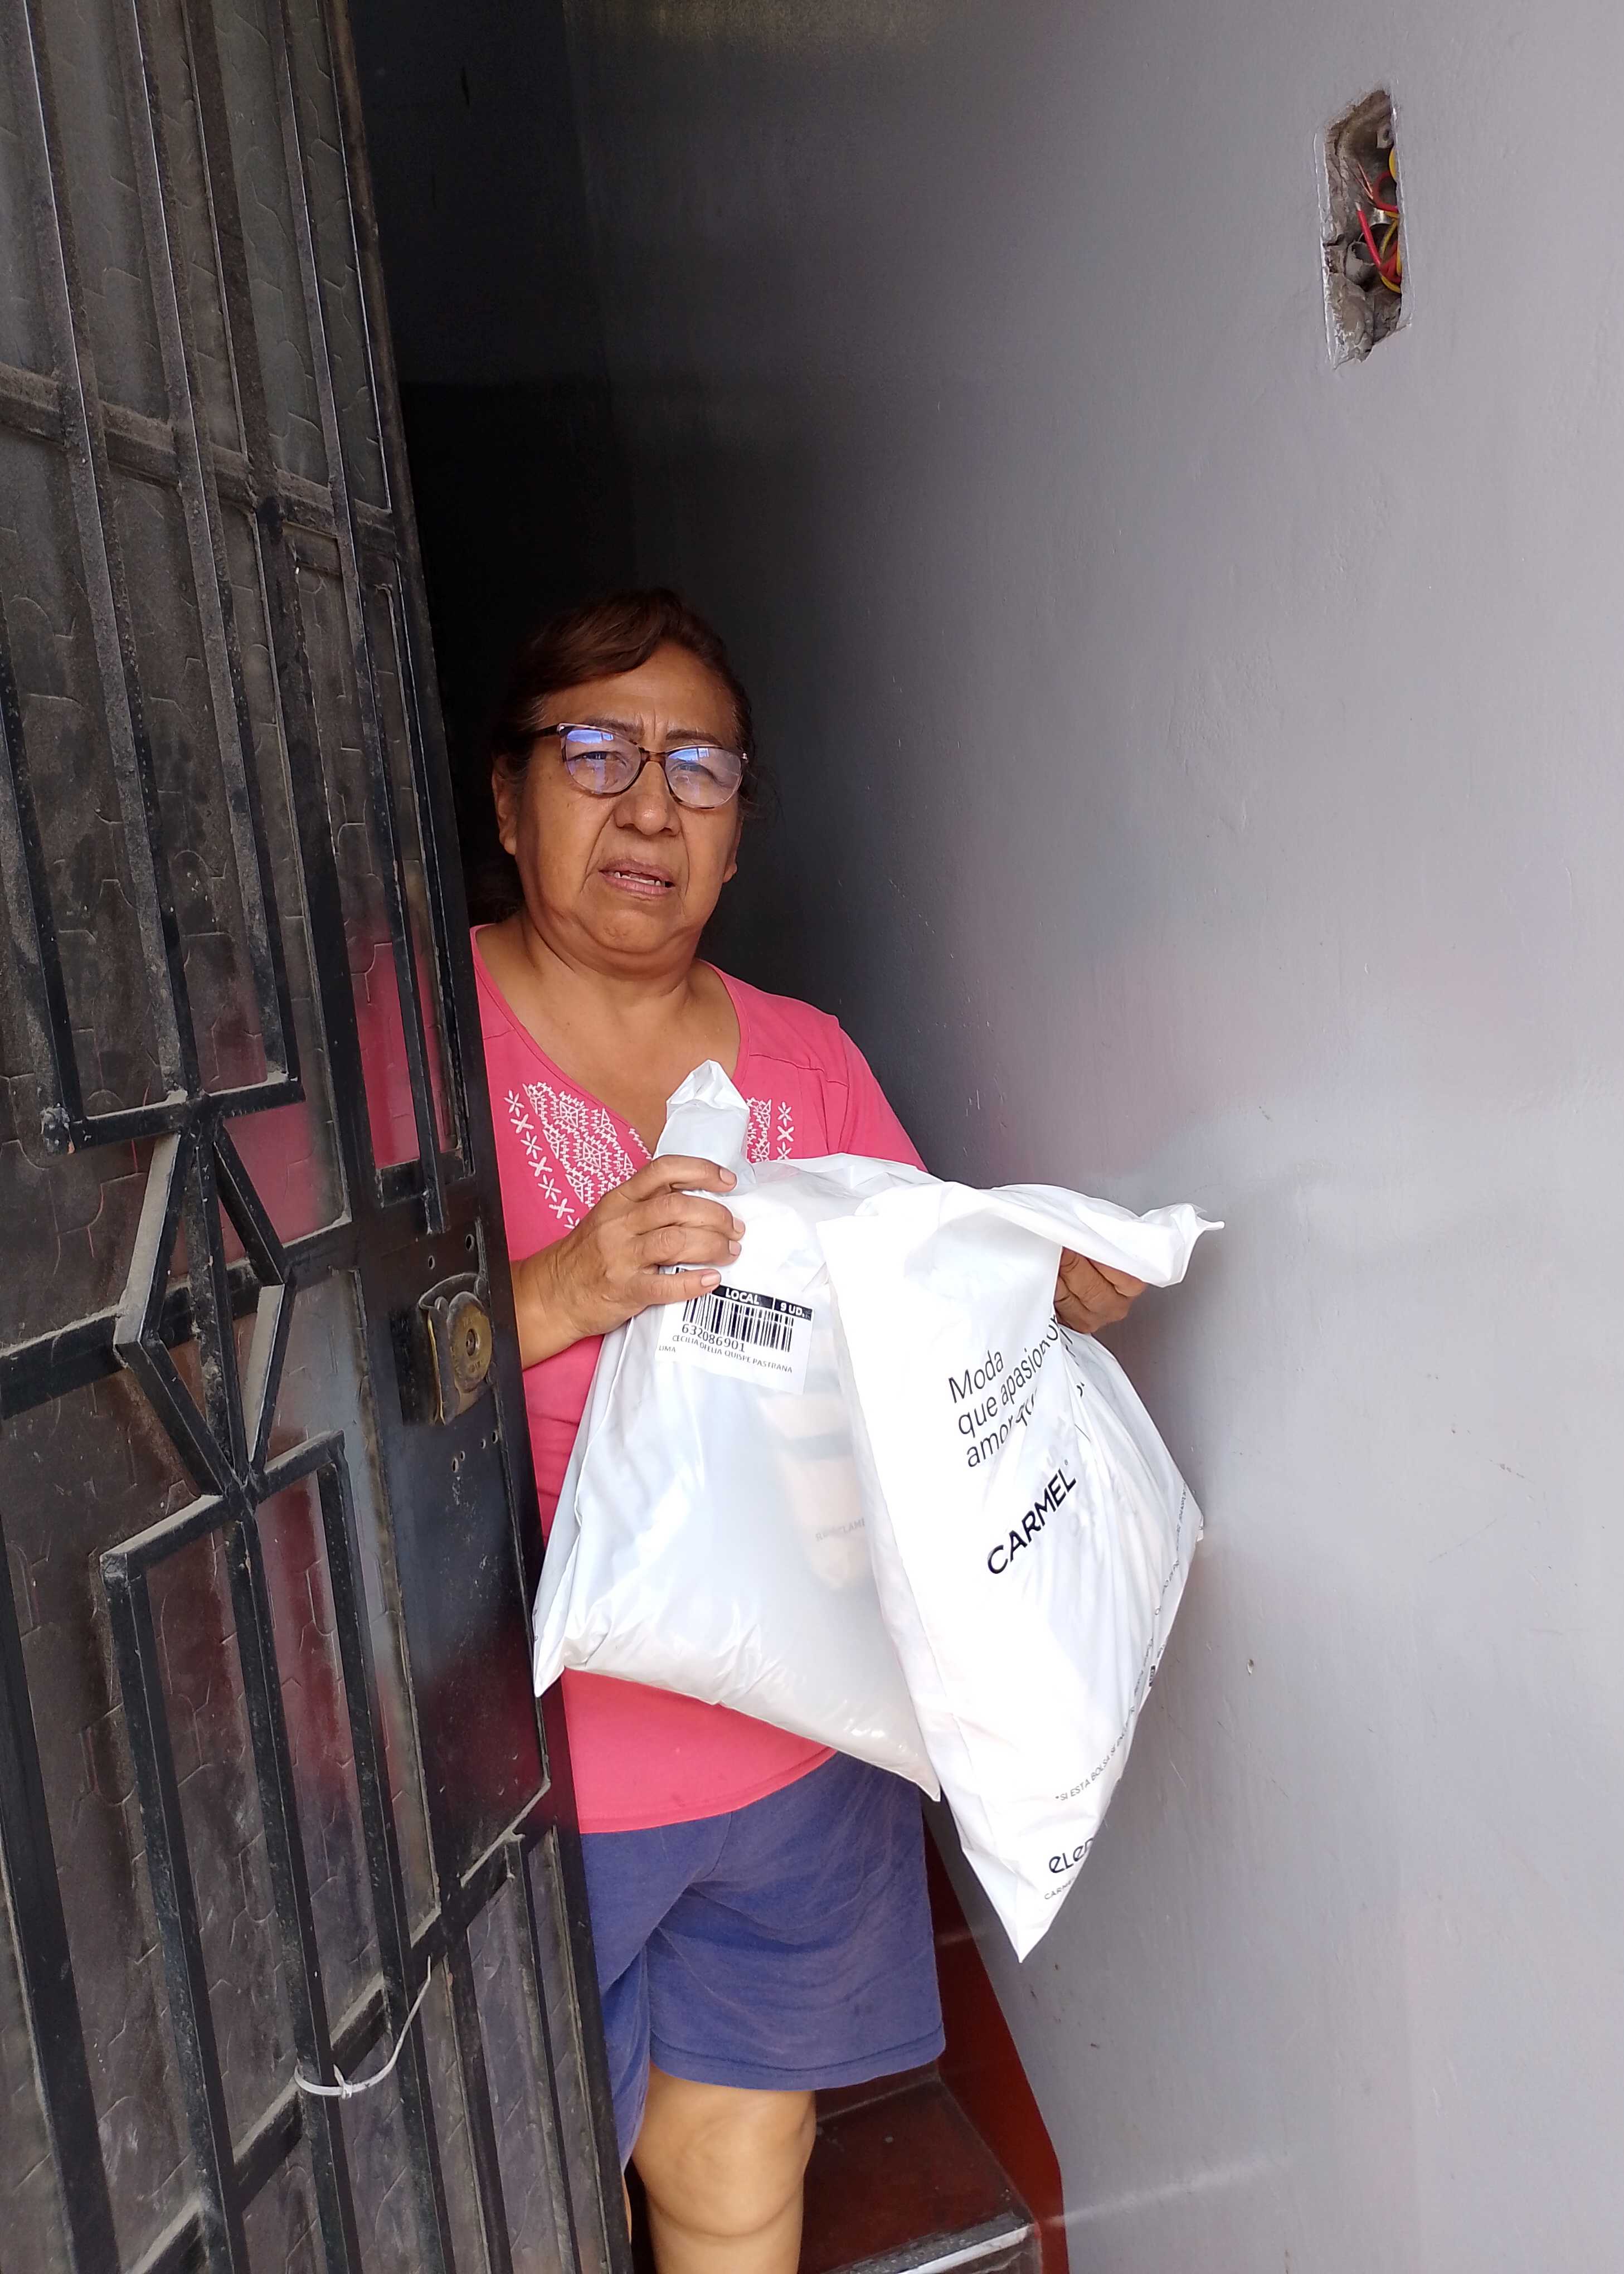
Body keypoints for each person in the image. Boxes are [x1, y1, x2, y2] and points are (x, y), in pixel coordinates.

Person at [475, 590, 1141, 2273]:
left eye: (698, 767)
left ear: (738, 827)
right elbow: (274, 1381)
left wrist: (1037, 1293)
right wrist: (561, 1287)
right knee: (512, 2194)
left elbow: (915, 1326)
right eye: (595, 751)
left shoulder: (809, 1057)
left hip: (795, 1743)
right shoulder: (402, 1044)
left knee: (741, 2169)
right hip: (510, 1778)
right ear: (509, 802)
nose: (649, 805)